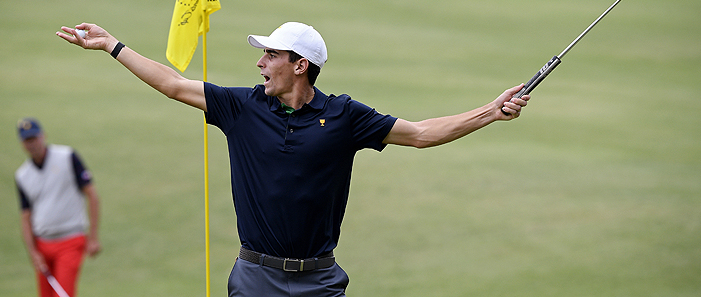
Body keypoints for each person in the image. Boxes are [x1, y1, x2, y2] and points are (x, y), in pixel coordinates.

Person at [56, 21, 528, 297]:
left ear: (300, 65)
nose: (260, 63)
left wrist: (491, 111)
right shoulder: (240, 108)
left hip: (319, 282)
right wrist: (113, 46)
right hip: (254, 278)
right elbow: (173, 83)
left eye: (270, 55)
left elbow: (423, 133)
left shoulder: (344, 116)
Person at [15, 118, 102, 297]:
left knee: (63, 294)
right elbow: (26, 216)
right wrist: (33, 252)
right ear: (22, 144)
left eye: (34, 138)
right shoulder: (22, 175)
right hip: (42, 243)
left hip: (70, 240)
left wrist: (93, 237)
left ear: (43, 136)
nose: (32, 144)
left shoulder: (67, 157)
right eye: (27, 141)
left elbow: (92, 195)